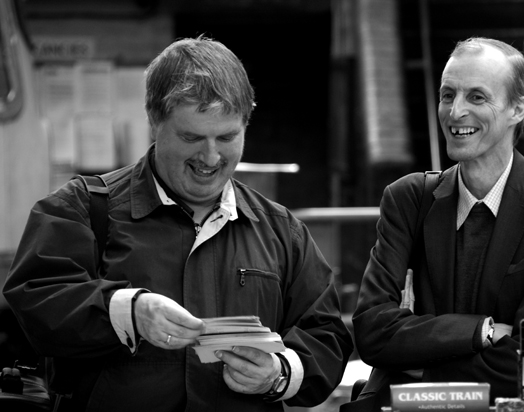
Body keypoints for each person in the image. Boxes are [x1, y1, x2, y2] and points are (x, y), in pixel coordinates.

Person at [3, 36, 353, 411]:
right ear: (154, 122)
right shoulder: (80, 209)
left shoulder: (283, 231)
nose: (211, 157)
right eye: (191, 137)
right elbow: (35, 304)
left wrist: (280, 372)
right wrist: (127, 311)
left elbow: (327, 336)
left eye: (227, 137)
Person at [349, 37, 524, 406]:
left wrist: (416, 364)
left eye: (477, 97)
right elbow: (372, 333)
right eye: (448, 95)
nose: (455, 112)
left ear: (517, 109)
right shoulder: (407, 199)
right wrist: (482, 331)